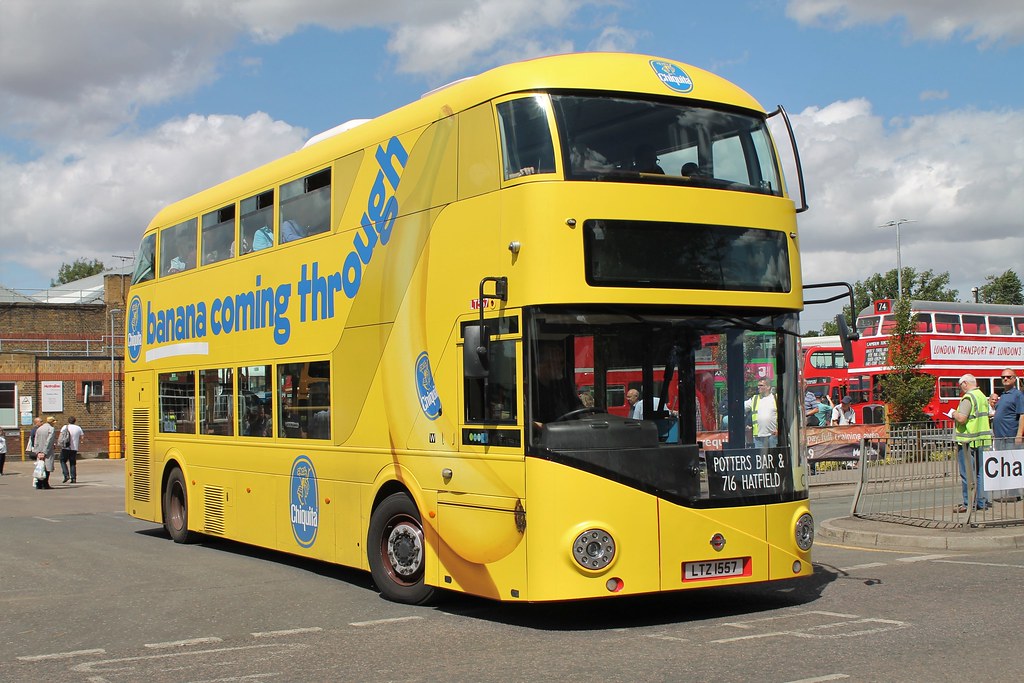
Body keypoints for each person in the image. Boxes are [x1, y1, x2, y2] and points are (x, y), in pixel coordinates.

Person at [950, 374, 991, 512]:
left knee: (967, 474)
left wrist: (953, 413)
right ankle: (982, 502)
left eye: (961, 385)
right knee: (981, 473)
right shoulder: (982, 396)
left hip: (967, 441)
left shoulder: (968, 397)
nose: (961, 388)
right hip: (982, 439)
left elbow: (962, 418)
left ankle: (968, 504)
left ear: (965, 383)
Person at [990, 368, 1024, 501]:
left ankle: (1013, 494)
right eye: (1003, 377)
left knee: (1012, 465)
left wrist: (1019, 435)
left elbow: (1022, 415)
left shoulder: (1018, 395)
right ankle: (1009, 493)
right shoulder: (1003, 395)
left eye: (1008, 377)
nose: (1005, 379)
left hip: (1010, 436)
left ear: (1014, 379)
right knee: (1005, 467)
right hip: (1000, 437)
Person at [533, 342, 582, 424]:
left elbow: (577, 406)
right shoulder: (529, 390)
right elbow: (528, 422)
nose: (563, 367)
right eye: (560, 363)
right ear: (545, 365)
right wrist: (543, 428)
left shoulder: (561, 387)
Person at [744, 379, 778, 449]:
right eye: (758, 385)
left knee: (774, 458)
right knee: (760, 459)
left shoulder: (775, 398)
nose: (758, 387)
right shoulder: (754, 399)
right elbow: (742, 407)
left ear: (768, 387)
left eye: (761, 385)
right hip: (758, 437)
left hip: (773, 435)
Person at [59, 416, 85, 484]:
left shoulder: (65, 427)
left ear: (68, 421)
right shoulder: (78, 428)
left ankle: (66, 475)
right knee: (72, 463)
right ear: (75, 421)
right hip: (74, 448)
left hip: (66, 447)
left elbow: (61, 436)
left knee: (62, 461)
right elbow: (82, 437)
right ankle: (73, 478)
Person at [34, 416, 57, 490]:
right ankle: (45, 484)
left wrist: (37, 451)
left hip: (39, 451)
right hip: (47, 452)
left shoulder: (39, 429)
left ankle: (39, 483)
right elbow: (49, 441)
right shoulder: (51, 429)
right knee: (47, 467)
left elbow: (36, 441)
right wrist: (44, 452)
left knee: (40, 467)